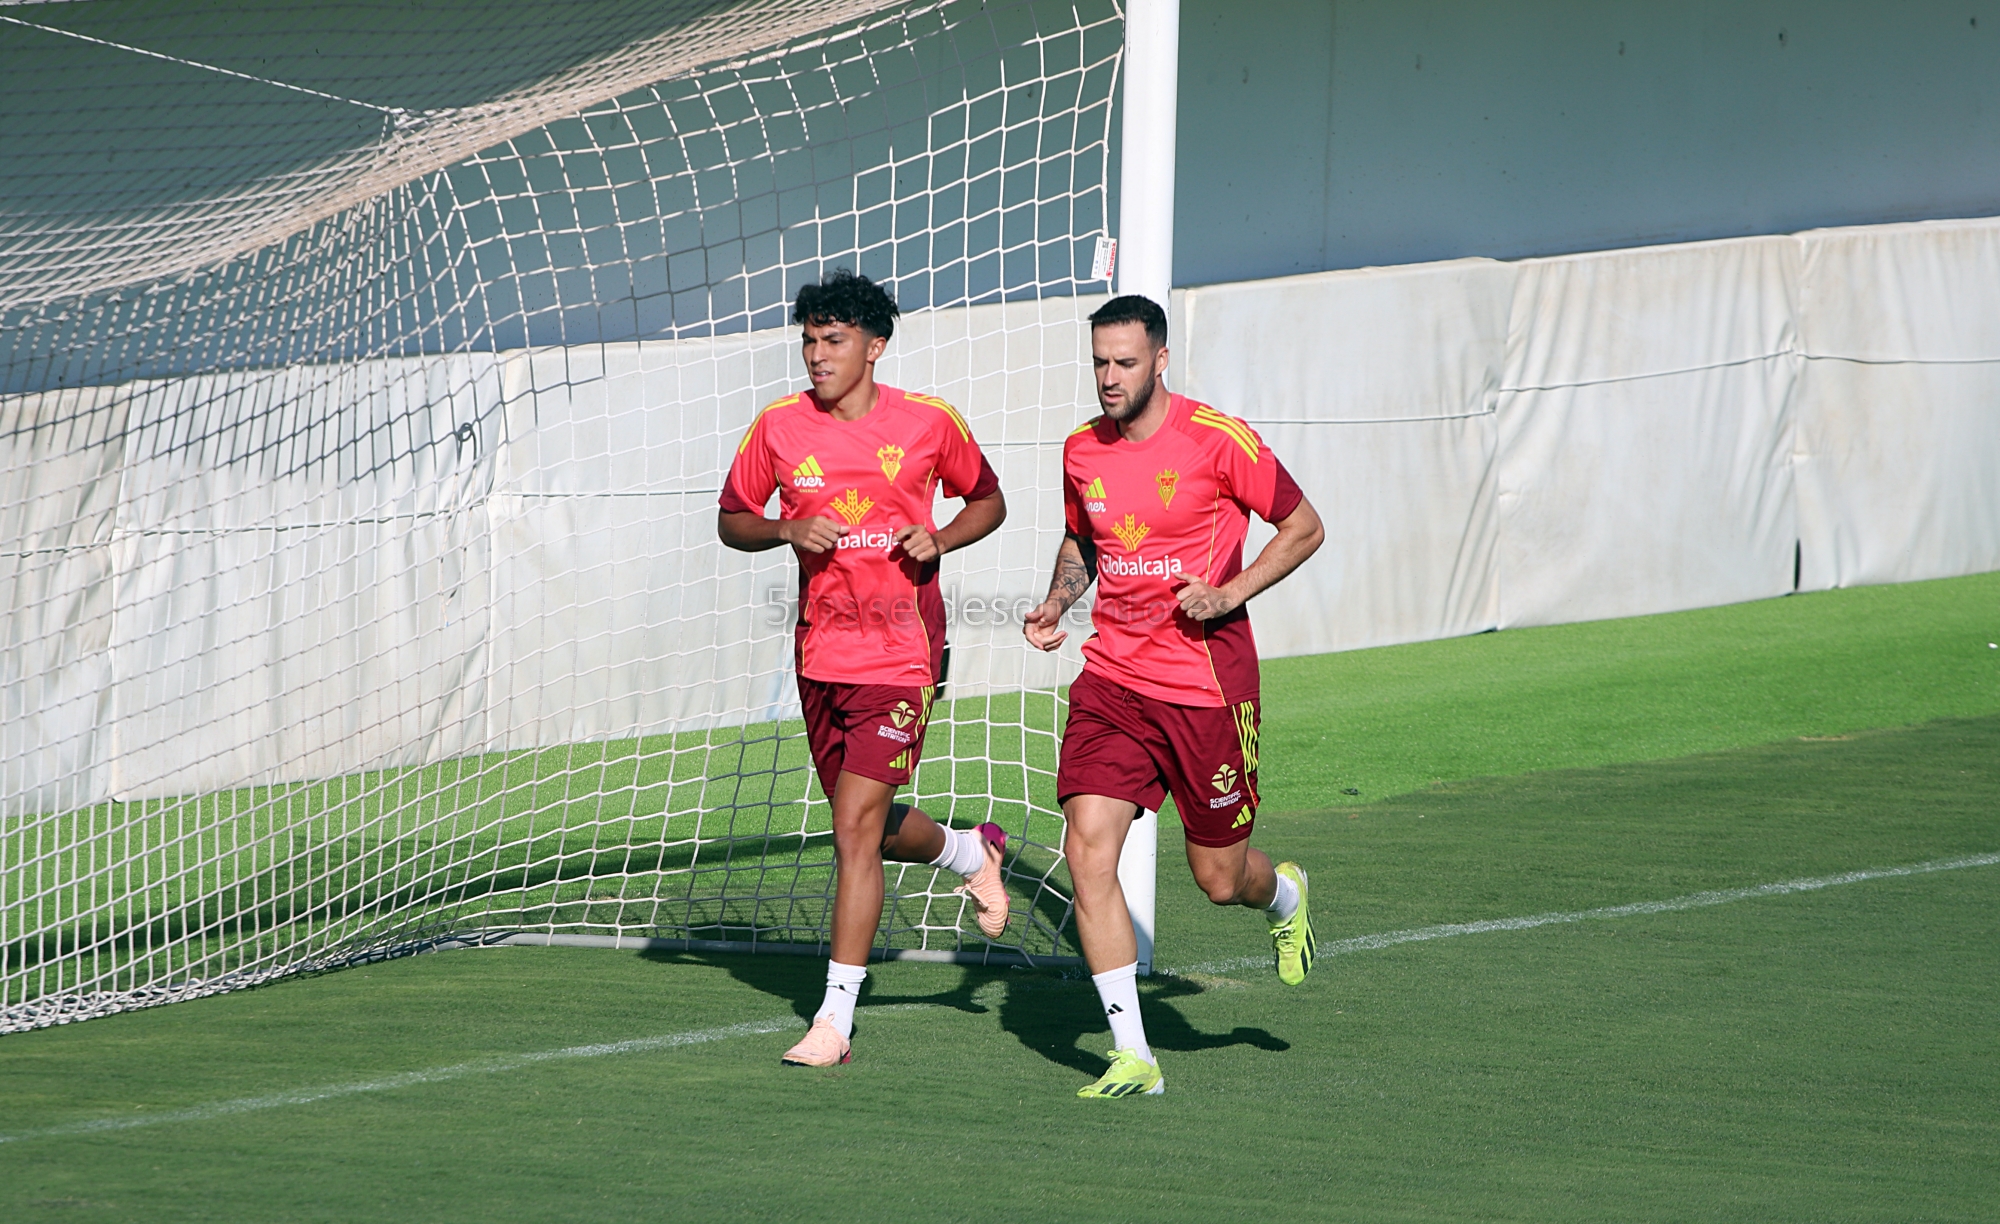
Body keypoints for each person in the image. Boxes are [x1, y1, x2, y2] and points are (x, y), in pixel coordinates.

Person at [1023, 293, 1326, 1099]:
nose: (1109, 377)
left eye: (1125, 362)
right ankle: (1134, 1055)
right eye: (1099, 361)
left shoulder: (1218, 441)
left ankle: (1284, 894)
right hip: (1113, 681)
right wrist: (1057, 600)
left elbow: (1304, 526)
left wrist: (1229, 594)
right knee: (1086, 850)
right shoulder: (1081, 449)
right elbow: (1083, 538)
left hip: (1206, 688)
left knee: (1220, 880)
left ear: (1160, 360)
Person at [719, 269, 1011, 1068]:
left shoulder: (928, 422)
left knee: (852, 830)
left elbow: (988, 500)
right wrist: (785, 530)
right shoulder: (778, 427)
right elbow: (733, 519)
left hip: (902, 654)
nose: (817, 355)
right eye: (809, 340)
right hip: (820, 654)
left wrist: (940, 539)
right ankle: (970, 853)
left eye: (834, 340)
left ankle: (834, 1020)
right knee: (869, 827)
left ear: (874, 347)